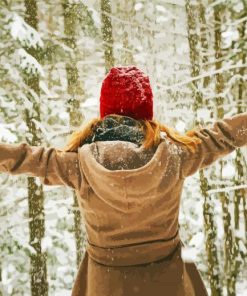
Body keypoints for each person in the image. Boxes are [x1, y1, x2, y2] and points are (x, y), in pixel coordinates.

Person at [0, 66, 246, 296]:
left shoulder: (79, 165)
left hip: (105, 285)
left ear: (105, 111)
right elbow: (222, 136)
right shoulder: (175, 157)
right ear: (146, 113)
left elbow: (27, 158)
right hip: (167, 284)